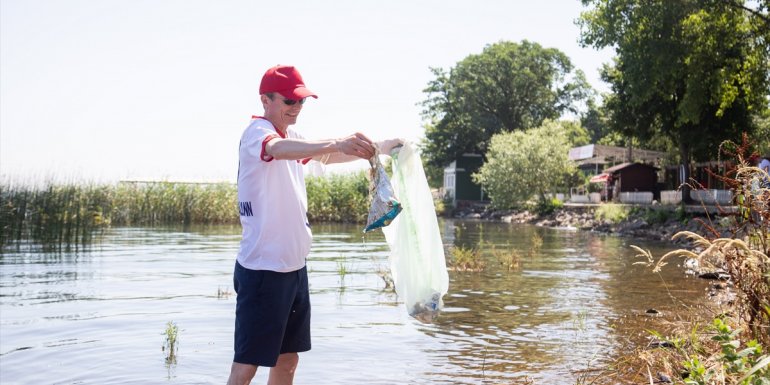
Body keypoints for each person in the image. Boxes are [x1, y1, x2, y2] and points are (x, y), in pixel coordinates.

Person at [227, 64, 402, 385]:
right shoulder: (257, 133)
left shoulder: (294, 136)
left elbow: (326, 157)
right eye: (289, 101)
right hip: (263, 271)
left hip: (294, 270)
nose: (296, 109)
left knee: (288, 360)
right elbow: (276, 150)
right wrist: (336, 142)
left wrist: (381, 147)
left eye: (301, 102)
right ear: (265, 100)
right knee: (247, 365)